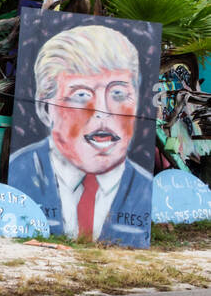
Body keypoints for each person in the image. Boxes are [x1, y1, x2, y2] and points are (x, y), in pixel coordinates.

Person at [8, 24, 153, 244]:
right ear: (45, 108)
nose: (102, 111)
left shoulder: (144, 188)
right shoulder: (21, 174)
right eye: (82, 94)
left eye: (118, 93)